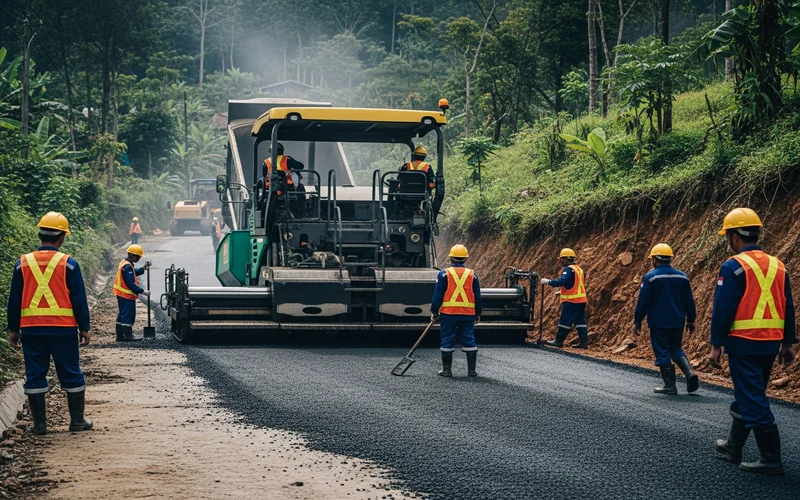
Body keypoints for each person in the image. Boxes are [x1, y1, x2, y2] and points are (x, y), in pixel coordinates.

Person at [711, 208, 796, 475]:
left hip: (744, 343)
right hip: (770, 343)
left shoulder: (733, 265)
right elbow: (789, 307)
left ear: (735, 237)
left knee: (753, 398)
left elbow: (723, 309)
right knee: (749, 393)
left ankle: (770, 458)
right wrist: (788, 342)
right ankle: (733, 446)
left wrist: (716, 345)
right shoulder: (778, 265)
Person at [6, 212, 93, 435]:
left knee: (35, 373)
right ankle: (77, 421)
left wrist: (13, 329)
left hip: (31, 330)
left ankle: (40, 425)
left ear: (39, 234)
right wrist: (84, 327)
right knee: (71, 372)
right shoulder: (69, 264)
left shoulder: (22, 264)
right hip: (63, 330)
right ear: (62, 237)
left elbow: (14, 299)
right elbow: (79, 298)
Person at [633, 243, 699, 395]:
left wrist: (637, 320)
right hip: (678, 321)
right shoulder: (682, 277)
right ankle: (689, 373)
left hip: (659, 322)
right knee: (675, 348)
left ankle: (670, 385)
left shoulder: (651, 277)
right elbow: (689, 300)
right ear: (670, 258)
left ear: (654, 259)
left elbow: (643, 302)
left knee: (662, 351)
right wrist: (691, 319)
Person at [431, 244, 482, 377]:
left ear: (451, 258)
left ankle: (447, 370)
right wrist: (478, 313)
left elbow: (438, 294)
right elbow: (477, 295)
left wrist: (434, 311)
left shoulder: (443, 274)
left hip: (449, 313)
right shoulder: (472, 275)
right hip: (468, 314)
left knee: (448, 339)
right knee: (469, 339)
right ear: (465, 259)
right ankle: (472, 371)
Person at [541, 248, 589, 348]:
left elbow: (562, 281)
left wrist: (548, 281)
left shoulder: (569, 269)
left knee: (565, 320)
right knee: (580, 321)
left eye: (561, 259)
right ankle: (583, 343)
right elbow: (575, 284)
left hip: (571, 301)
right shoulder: (579, 269)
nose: (560, 261)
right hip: (581, 300)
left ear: (565, 259)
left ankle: (558, 341)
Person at [113, 244, 151, 342]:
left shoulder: (125, 263)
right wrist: (143, 291)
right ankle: (128, 335)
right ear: (131, 255)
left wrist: (143, 268)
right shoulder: (127, 266)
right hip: (126, 295)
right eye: (138, 256)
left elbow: (134, 272)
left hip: (121, 294)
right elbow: (131, 284)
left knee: (122, 314)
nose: (138, 258)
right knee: (128, 314)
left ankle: (120, 336)